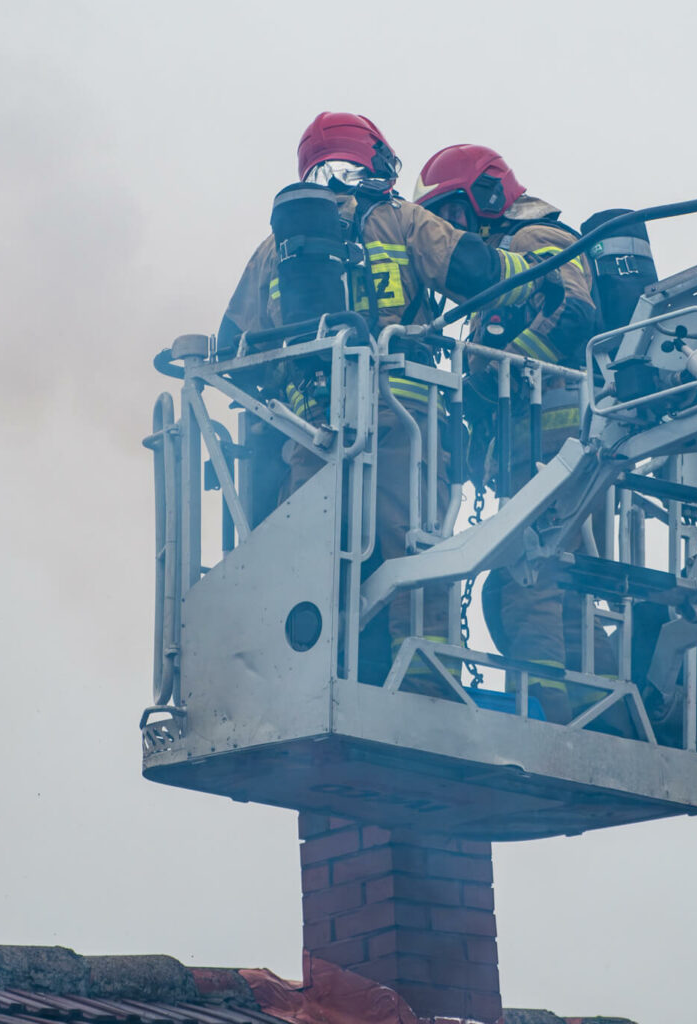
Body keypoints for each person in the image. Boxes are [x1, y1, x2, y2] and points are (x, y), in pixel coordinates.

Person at [219, 114, 558, 692]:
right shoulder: (398, 219)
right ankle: (424, 677)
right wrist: (535, 273)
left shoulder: (270, 251)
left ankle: (311, 675)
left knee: (314, 560)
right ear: (373, 160)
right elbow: (477, 272)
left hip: (310, 436)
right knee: (415, 551)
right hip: (404, 423)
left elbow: (232, 352)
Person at [415, 144, 629, 732]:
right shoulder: (509, 253)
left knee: (524, 584)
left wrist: (501, 375)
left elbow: (575, 315)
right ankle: (609, 712)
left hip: (551, 446)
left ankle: (549, 721)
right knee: (564, 592)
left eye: (451, 216)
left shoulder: (536, 241)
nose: (451, 233)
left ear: (485, 196)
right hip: (542, 455)